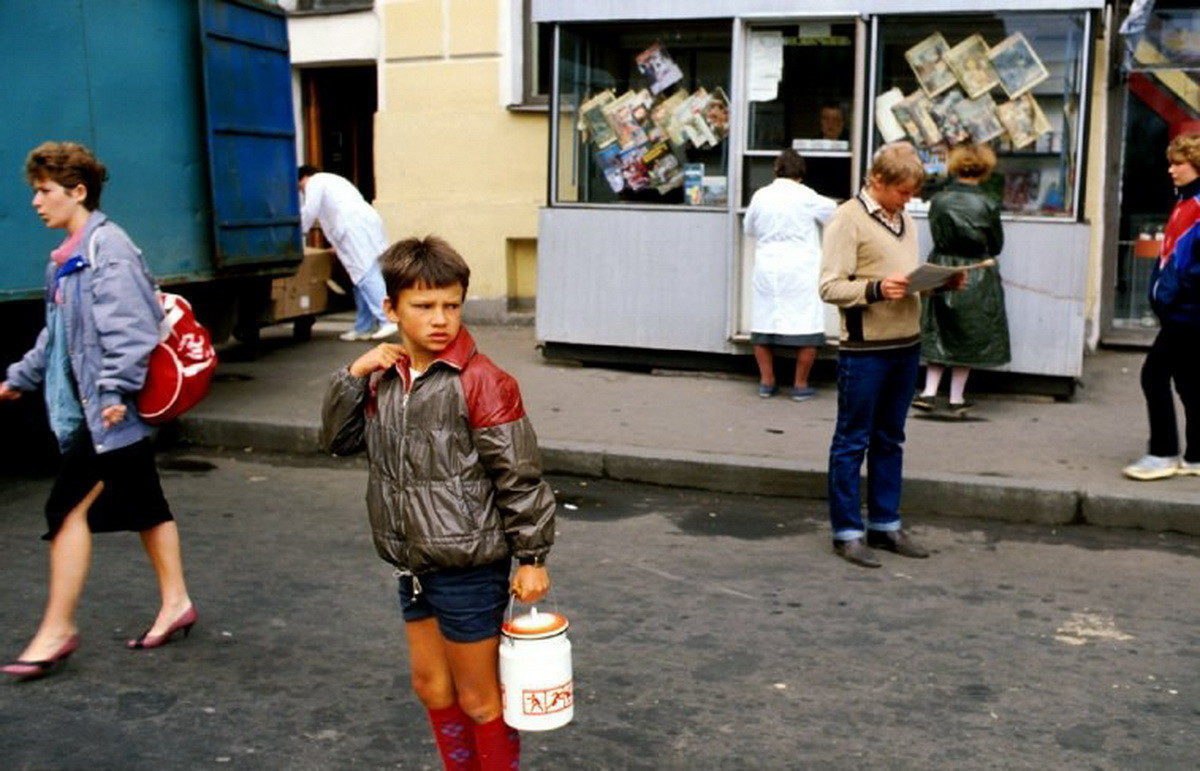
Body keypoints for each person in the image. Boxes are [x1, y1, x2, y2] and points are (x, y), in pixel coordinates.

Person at [321, 235, 556, 770]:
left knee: (480, 700)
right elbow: (338, 440)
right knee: (431, 688)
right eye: (423, 306)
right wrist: (352, 376)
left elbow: (519, 477)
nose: (440, 318)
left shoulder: (483, 382)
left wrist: (533, 558)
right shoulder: (384, 378)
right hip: (415, 563)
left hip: (471, 566)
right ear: (391, 309)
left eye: (451, 304)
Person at [1, 142, 196, 679]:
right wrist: (20, 377)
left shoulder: (108, 248)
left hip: (108, 411)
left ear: (78, 191)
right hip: (99, 408)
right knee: (145, 505)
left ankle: (57, 629)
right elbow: (58, 334)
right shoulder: (66, 257)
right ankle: (176, 601)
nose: (37, 202)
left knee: (65, 509)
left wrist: (113, 393)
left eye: (45, 191)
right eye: (35, 191)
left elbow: (130, 328)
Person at [819, 141, 964, 568]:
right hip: (866, 350)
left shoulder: (905, 219)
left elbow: (905, 278)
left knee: (891, 438)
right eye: (903, 192)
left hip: (906, 344)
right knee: (852, 440)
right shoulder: (847, 219)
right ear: (877, 182)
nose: (909, 200)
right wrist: (876, 289)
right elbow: (829, 287)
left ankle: (885, 524)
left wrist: (939, 284)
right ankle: (847, 532)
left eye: (913, 193)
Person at [1122, 133, 1200, 481]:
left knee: (1153, 375)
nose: (1171, 169)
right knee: (1188, 380)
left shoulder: (1196, 207)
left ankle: (1163, 452)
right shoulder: (1186, 202)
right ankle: (1196, 456)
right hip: (1184, 309)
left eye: (1178, 163)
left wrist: (1174, 296)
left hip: (1188, 311)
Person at [914, 144, 1010, 417]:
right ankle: (956, 398)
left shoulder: (939, 200)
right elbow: (996, 244)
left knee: (939, 330)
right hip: (975, 270)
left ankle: (929, 392)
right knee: (968, 335)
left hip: (942, 266)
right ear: (985, 168)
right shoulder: (988, 202)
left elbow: (935, 232)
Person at [744, 149, 838, 401]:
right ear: (801, 173)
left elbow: (749, 228)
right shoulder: (807, 196)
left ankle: (767, 382)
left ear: (776, 169)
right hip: (800, 268)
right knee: (807, 325)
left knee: (763, 323)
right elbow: (836, 216)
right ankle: (800, 384)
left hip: (768, 266)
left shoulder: (761, 195)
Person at [298, 165, 397, 342]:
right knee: (360, 277)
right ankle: (363, 326)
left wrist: (297, 233)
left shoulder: (316, 181)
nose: (302, 190)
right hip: (362, 225)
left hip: (354, 228)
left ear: (304, 177)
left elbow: (309, 211)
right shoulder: (333, 182)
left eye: (300, 186)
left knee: (366, 273)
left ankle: (387, 320)